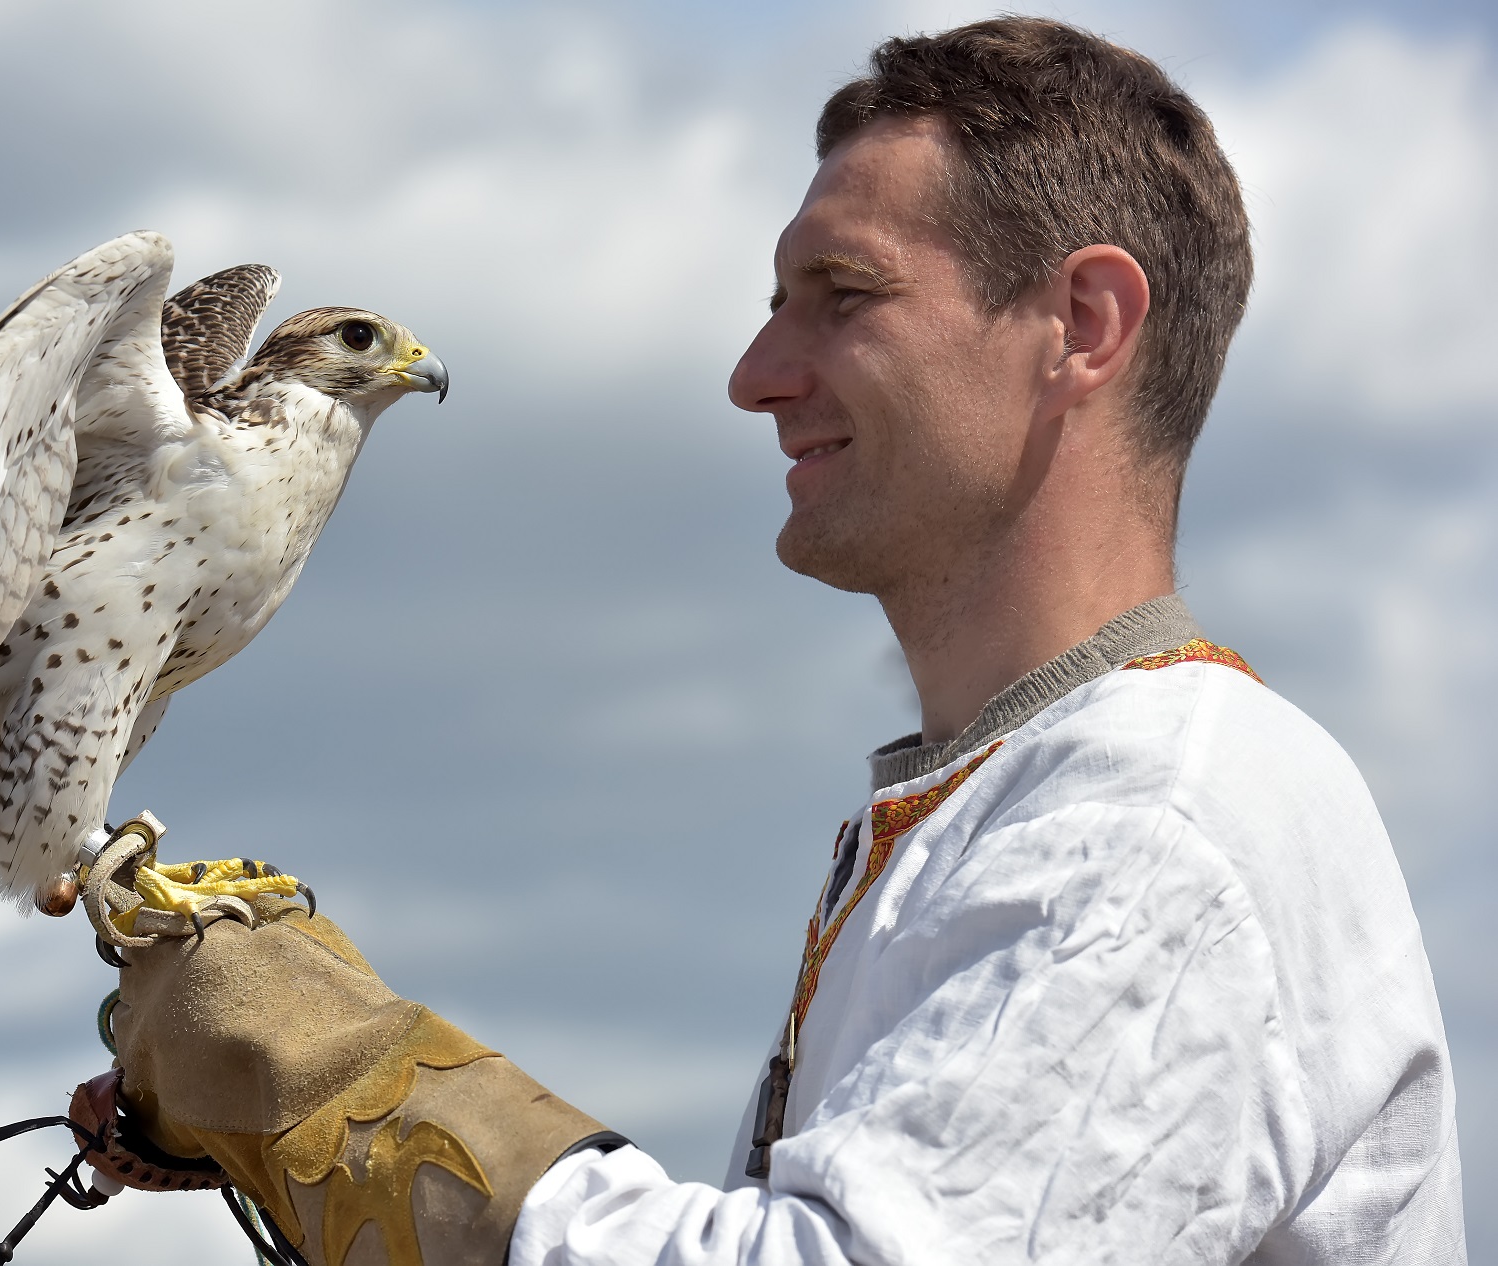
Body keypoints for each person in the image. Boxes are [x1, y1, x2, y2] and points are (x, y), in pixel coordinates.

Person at [89, 17, 1465, 1264]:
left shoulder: (1157, 819)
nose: (755, 377)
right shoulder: (998, 802)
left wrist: (340, 1082)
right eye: (770, 306)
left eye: (843, 295)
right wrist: (280, 1127)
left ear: (1082, 325)